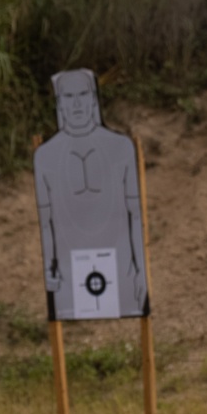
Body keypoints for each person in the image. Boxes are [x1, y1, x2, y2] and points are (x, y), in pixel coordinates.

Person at [33, 68, 148, 321]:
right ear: (59, 103)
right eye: (68, 96)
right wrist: (49, 268)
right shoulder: (46, 156)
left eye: (83, 94)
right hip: (69, 266)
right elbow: (46, 223)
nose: (76, 103)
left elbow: (134, 215)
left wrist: (141, 271)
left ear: (93, 99)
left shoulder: (120, 147)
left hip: (120, 263)